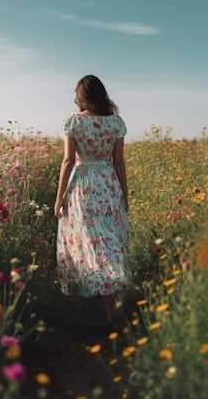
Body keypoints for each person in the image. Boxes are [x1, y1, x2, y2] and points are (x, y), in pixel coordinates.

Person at [54, 74, 129, 327]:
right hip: (108, 185)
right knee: (109, 242)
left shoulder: (73, 122)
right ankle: (111, 308)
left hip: (83, 186)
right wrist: (124, 194)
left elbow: (67, 161)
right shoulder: (116, 123)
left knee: (88, 243)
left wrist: (60, 196)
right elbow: (118, 162)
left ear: (82, 97)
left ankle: (91, 310)